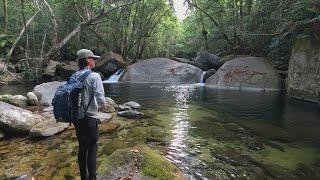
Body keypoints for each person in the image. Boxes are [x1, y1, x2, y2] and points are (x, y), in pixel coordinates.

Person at [72, 49, 105, 180]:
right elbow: (100, 96)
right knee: (92, 147)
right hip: (90, 118)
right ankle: (92, 177)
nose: (94, 60)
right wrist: (102, 105)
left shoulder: (74, 76)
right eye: (93, 58)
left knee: (82, 148)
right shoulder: (94, 76)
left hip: (77, 118)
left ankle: (83, 177)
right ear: (87, 60)